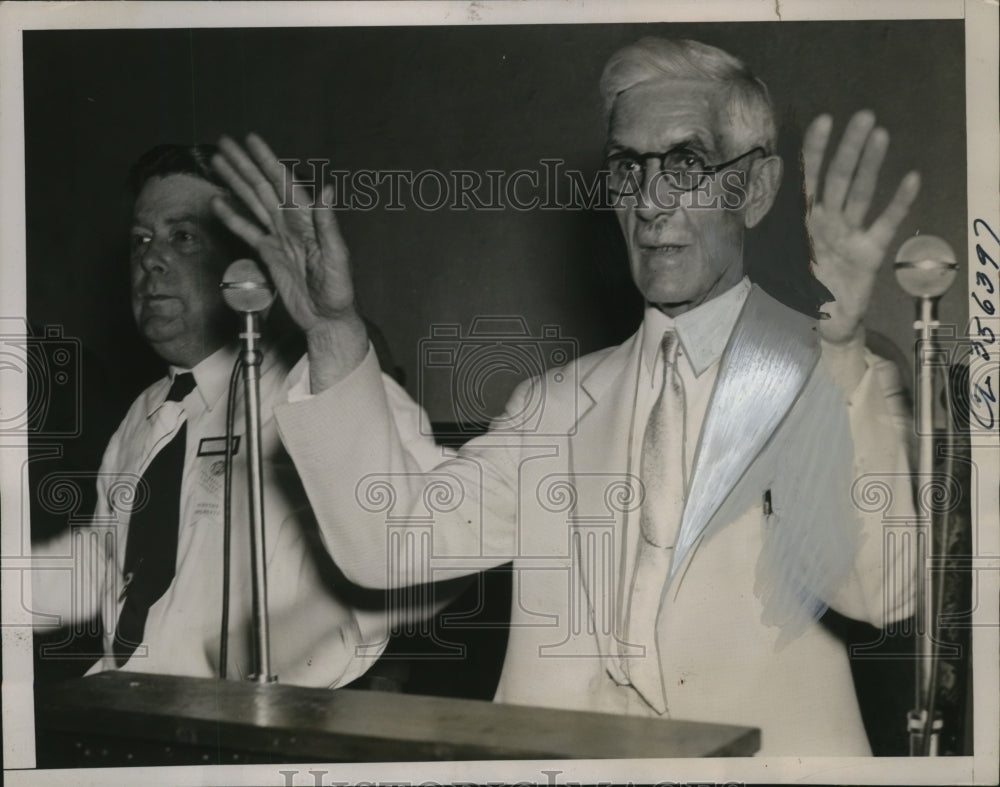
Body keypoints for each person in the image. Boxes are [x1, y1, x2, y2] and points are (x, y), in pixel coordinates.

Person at [211, 38, 919, 753]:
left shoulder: (828, 376)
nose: (649, 202)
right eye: (627, 168)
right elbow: (387, 546)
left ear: (755, 190)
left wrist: (840, 348)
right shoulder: (554, 404)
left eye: (686, 164)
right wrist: (332, 330)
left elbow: (885, 591)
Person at [30, 144, 436, 686]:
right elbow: (108, 567)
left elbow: (428, 550)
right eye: (141, 240)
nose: (151, 259)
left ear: (250, 263)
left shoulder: (324, 392)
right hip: (128, 721)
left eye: (183, 236)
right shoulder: (144, 415)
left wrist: (275, 653)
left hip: (261, 735)